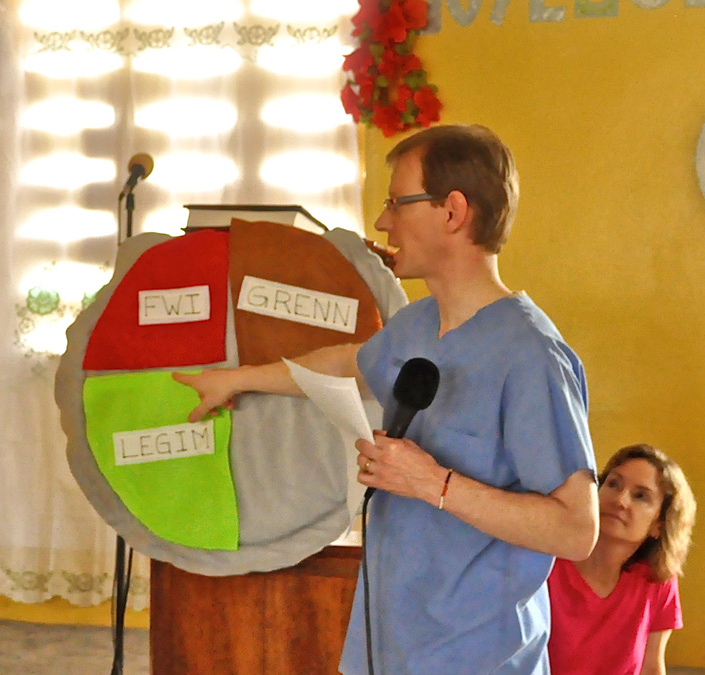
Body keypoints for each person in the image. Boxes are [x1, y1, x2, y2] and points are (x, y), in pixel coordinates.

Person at [173, 124, 599, 673]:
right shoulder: (418, 323)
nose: (382, 221)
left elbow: (576, 530)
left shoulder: (533, 356)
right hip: (389, 642)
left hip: (478, 654)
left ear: (452, 212)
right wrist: (237, 379)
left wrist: (431, 482)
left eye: (397, 202)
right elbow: (351, 363)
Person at [548, 444, 696, 675]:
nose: (620, 500)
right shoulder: (546, 563)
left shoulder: (658, 580)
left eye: (640, 496)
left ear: (659, 524)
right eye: (613, 484)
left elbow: (651, 667)